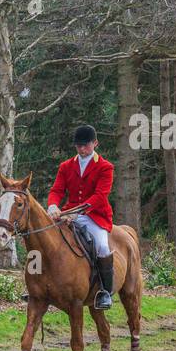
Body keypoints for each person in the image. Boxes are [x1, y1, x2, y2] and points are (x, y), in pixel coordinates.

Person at [48, 124, 116, 310]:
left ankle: (104, 292)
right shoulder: (66, 166)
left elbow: (101, 196)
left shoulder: (105, 167)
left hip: (95, 216)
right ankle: (39, 286)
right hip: (68, 213)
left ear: (95, 143)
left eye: (86, 145)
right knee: (46, 238)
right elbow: (57, 190)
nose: (82, 149)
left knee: (102, 246)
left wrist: (76, 212)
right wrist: (53, 205)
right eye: (78, 146)